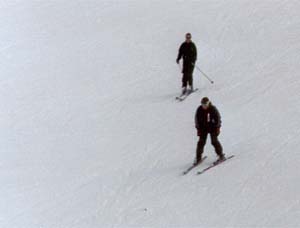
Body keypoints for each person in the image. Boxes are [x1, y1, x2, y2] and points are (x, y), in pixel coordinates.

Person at [194, 97, 224, 164]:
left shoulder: (213, 109)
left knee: (214, 141)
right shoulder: (199, 109)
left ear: (208, 103)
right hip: (203, 128)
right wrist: (198, 129)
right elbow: (196, 120)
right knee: (201, 142)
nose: (204, 106)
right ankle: (198, 158)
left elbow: (218, 118)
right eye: (203, 105)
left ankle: (221, 155)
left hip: (213, 128)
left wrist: (218, 128)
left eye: (205, 105)